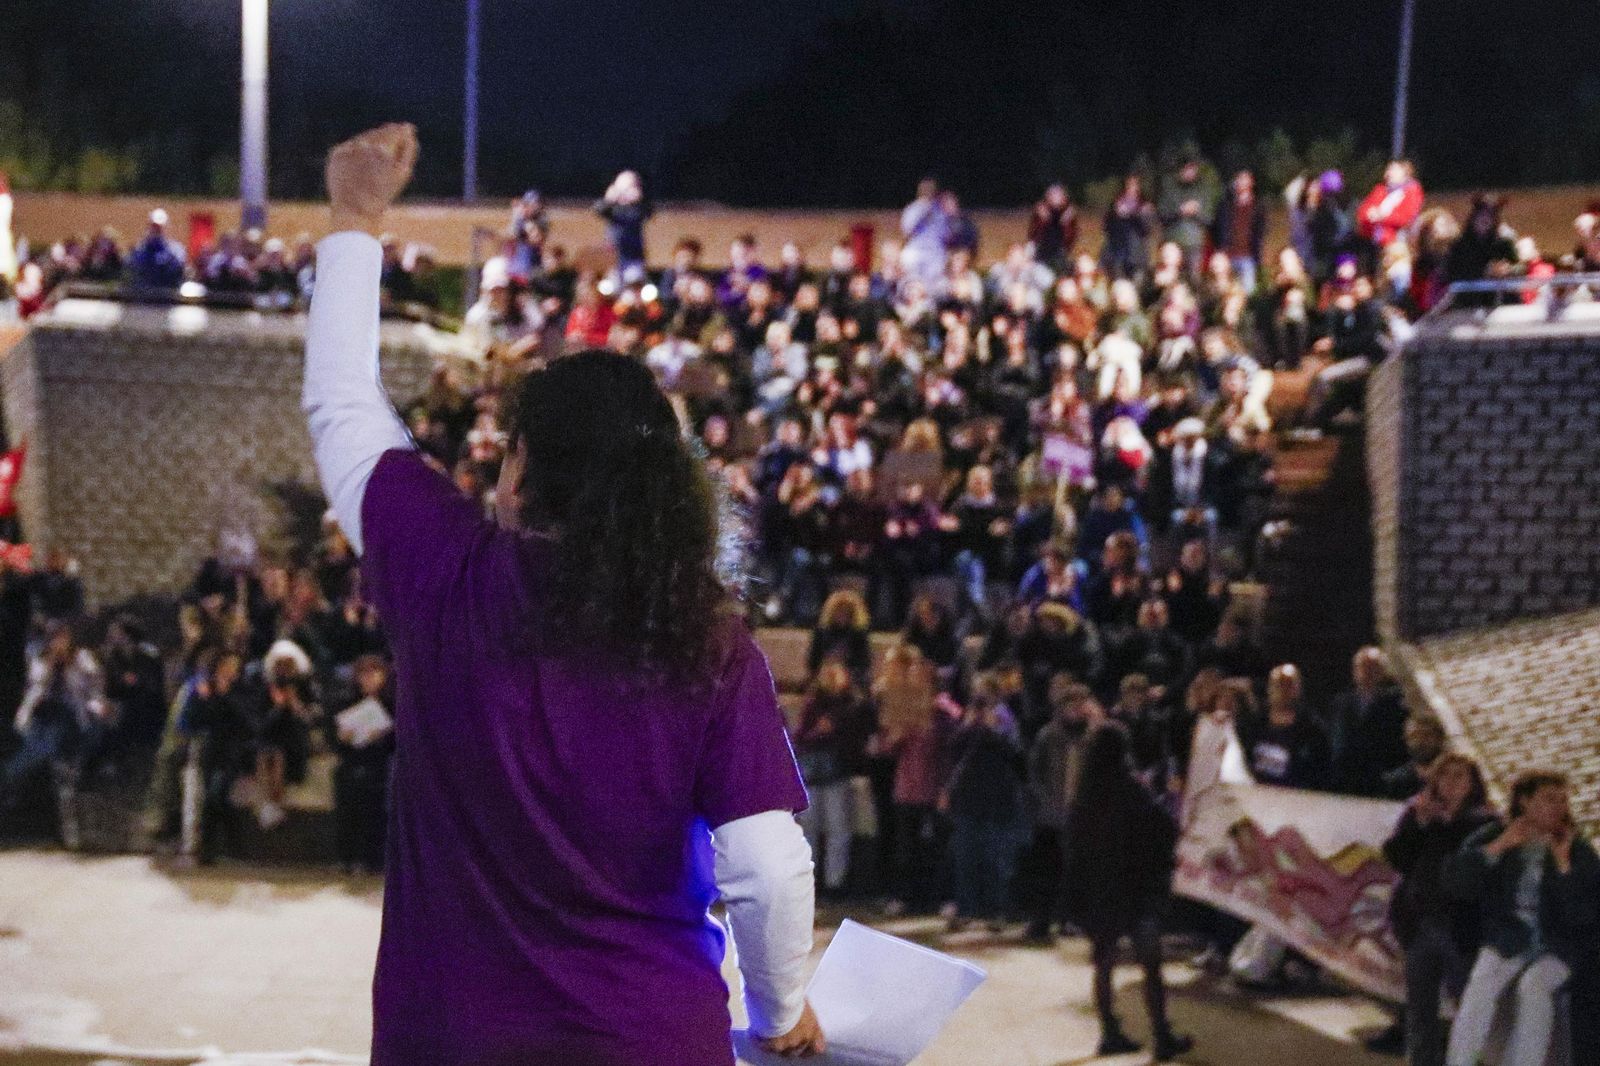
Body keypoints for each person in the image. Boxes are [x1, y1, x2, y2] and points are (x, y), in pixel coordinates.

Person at [303, 126, 823, 1063]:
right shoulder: (705, 638)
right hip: (647, 1038)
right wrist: (782, 1014)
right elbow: (766, 863)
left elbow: (342, 403)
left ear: (520, 470)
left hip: (447, 1041)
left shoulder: (444, 570)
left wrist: (355, 212)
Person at [1445, 771, 1600, 1066]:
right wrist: (1499, 846)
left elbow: (1583, 915)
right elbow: (1457, 883)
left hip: (1559, 945)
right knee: (1481, 986)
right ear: (1525, 802)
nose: (1558, 807)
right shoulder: (1495, 834)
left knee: (1534, 986)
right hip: (1508, 936)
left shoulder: (1578, 849)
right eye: (1549, 799)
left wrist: (1564, 867)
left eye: (1563, 801)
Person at [1061, 722, 1194, 1061]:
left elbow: (1073, 848)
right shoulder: (1132, 790)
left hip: (1100, 891)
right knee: (1150, 964)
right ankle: (1161, 1035)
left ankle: (1109, 1032)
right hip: (1136, 889)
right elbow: (1163, 829)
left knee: (1104, 964)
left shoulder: (1083, 796)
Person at [1382, 752, 1498, 1066]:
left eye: (1459, 776)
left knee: (1467, 1005)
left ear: (1472, 783)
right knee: (1420, 1008)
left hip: (1460, 926)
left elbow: (1471, 867)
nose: (1451, 783)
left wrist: (1444, 824)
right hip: (1419, 922)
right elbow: (1397, 858)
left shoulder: (1485, 822)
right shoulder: (1419, 814)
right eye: (1444, 775)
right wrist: (1419, 824)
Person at [333, 653, 395, 875]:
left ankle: (373, 859)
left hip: (379, 763)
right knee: (348, 807)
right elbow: (335, 736)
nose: (369, 678)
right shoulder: (346, 701)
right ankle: (347, 857)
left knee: (375, 811)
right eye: (364, 673)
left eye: (374, 673)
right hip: (351, 761)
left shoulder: (392, 703)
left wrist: (384, 735)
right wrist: (342, 738)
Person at [595, 170, 653, 283]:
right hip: (613, 260)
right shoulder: (611, 208)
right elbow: (599, 210)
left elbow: (643, 214)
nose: (624, 194)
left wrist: (636, 202)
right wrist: (609, 200)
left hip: (633, 259)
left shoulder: (640, 208)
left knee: (634, 284)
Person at [128, 209, 187, 289]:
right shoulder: (141, 248)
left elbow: (178, 271)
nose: (156, 230)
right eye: (154, 226)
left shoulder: (176, 249)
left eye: (159, 227)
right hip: (144, 292)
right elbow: (134, 268)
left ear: (166, 227)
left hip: (167, 292)